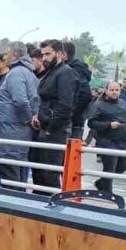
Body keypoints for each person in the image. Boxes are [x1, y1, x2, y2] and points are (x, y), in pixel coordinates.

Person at [0, 42, 41, 186]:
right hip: (15, 130)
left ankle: (11, 199)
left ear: (15, 55)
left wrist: (27, 120)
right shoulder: (27, 73)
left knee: (10, 176)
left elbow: (20, 100)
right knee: (16, 173)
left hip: (11, 132)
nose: (4, 57)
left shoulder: (16, 73)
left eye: (6, 54)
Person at [31, 40, 77, 189]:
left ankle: (52, 202)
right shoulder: (51, 72)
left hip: (55, 131)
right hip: (45, 128)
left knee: (49, 174)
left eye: (48, 54)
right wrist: (39, 117)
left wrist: (50, 125)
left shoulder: (65, 72)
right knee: (40, 173)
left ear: (60, 54)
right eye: (43, 54)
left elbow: (65, 105)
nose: (44, 58)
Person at [86, 81, 126, 194]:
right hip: (106, 141)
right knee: (109, 169)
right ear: (106, 91)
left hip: (122, 141)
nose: (114, 92)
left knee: (122, 167)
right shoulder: (99, 105)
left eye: (117, 90)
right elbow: (91, 123)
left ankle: (101, 182)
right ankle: (108, 194)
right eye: (111, 90)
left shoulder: (123, 103)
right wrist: (109, 125)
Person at [64, 41, 93, 139]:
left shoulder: (74, 69)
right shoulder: (74, 68)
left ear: (64, 54)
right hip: (73, 120)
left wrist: (71, 112)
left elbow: (85, 95)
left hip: (73, 122)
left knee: (71, 147)